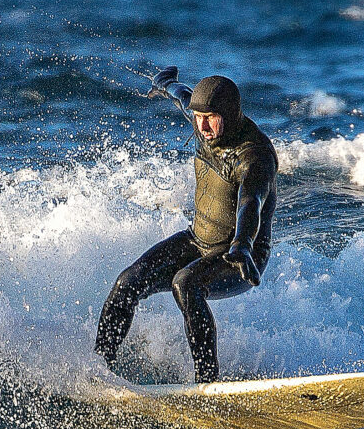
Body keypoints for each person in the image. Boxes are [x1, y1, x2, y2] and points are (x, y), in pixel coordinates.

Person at [96, 73, 277, 383]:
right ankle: (98, 370)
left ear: (230, 115)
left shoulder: (254, 156)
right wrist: (163, 83)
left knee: (186, 283)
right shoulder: (201, 123)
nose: (202, 126)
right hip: (198, 239)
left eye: (211, 118)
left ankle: (207, 383)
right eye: (198, 117)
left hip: (241, 257)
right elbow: (182, 94)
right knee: (128, 282)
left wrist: (243, 244)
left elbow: (251, 202)